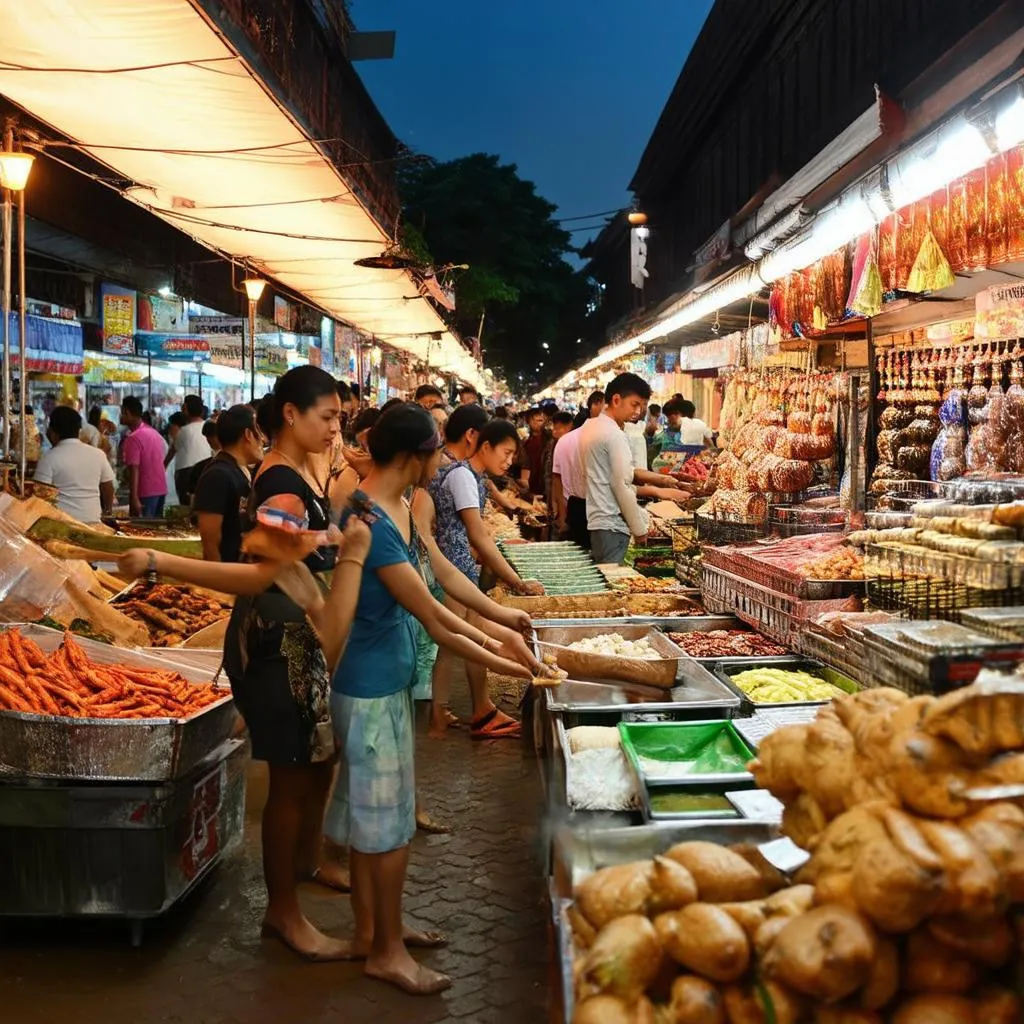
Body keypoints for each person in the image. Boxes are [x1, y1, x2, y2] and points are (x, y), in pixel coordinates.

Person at [328, 403, 536, 994]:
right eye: (434, 454)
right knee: (387, 834)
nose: (440, 463)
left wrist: (502, 616)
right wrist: (513, 662)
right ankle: (386, 950)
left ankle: (377, 931)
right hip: (367, 690)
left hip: (380, 682)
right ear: (414, 455)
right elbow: (438, 621)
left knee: (377, 827)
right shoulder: (368, 516)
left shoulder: (392, 505)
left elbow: (442, 573)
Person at [221, 366, 357, 959]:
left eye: (338, 418)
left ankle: (302, 868)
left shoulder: (295, 471)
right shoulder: (279, 481)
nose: (335, 428)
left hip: (294, 642)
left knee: (307, 769)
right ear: (290, 415)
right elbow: (275, 572)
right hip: (280, 647)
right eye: (327, 417)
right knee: (289, 780)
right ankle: (282, 913)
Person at [425, 409, 543, 738]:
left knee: (464, 640)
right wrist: (515, 580)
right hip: (454, 566)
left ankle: (479, 709)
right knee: (454, 642)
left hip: (458, 565)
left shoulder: (471, 475)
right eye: (506, 454)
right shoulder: (463, 476)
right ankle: (449, 715)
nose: (508, 462)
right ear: (485, 445)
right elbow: (477, 535)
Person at [578, 373, 652, 564]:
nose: (638, 411)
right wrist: (639, 529)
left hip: (597, 520)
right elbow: (621, 485)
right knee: (616, 586)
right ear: (616, 399)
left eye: (641, 406)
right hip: (612, 523)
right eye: (634, 404)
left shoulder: (591, 427)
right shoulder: (614, 434)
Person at [191, 404, 265, 562]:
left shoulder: (238, 470)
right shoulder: (218, 475)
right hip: (225, 577)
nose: (263, 440)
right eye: (259, 431)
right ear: (248, 434)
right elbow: (210, 544)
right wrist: (217, 584)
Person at [33, 406, 115, 524]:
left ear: (52, 431)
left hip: (62, 526)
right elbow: (108, 486)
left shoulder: (49, 458)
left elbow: (39, 494)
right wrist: (108, 511)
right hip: (93, 523)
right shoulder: (98, 455)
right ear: (78, 430)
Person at [120, 396, 168, 517]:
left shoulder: (133, 438)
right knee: (155, 532)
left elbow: (134, 469)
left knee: (142, 531)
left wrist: (134, 497)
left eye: (122, 413)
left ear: (127, 412)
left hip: (144, 492)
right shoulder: (153, 432)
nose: (120, 416)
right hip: (160, 489)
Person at [172, 395, 212, 505]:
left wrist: (163, 465)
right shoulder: (208, 425)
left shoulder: (184, 431)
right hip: (206, 470)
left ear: (185, 408)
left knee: (186, 505)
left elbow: (173, 449)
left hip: (186, 473)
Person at [544, 411, 574, 516]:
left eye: (558, 428)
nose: (554, 432)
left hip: (567, 497)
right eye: (554, 428)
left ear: (569, 426)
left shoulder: (573, 445)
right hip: (552, 492)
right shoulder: (552, 444)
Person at [521, 407, 547, 498]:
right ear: (529, 421)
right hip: (532, 481)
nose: (540, 423)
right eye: (536, 420)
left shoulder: (547, 439)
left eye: (541, 420)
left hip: (542, 482)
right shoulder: (528, 441)